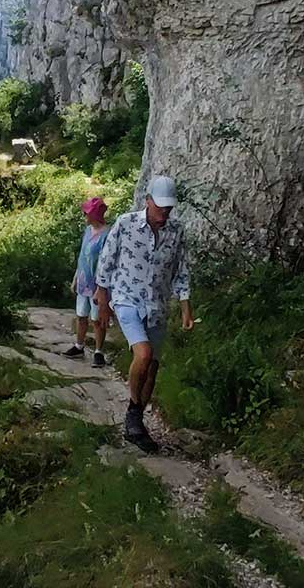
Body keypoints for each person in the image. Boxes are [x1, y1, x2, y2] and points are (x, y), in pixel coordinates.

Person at [94, 175, 194, 453]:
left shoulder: (176, 231)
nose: (164, 212)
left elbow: (181, 270)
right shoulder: (126, 224)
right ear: (147, 200)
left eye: (169, 207)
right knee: (144, 353)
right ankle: (133, 416)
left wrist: (186, 308)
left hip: (157, 305)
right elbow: (107, 259)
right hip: (127, 299)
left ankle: (135, 418)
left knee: (152, 368)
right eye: (160, 206)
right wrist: (102, 299)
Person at [63, 197, 110, 368]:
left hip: (98, 284)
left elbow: (106, 261)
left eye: (87, 213)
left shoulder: (107, 235)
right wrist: (76, 277)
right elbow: (82, 256)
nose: (85, 215)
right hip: (83, 281)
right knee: (81, 315)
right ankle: (79, 345)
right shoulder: (87, 231)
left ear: (94, 214)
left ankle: (98, 352)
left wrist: (102, 287)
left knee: (97, 319)